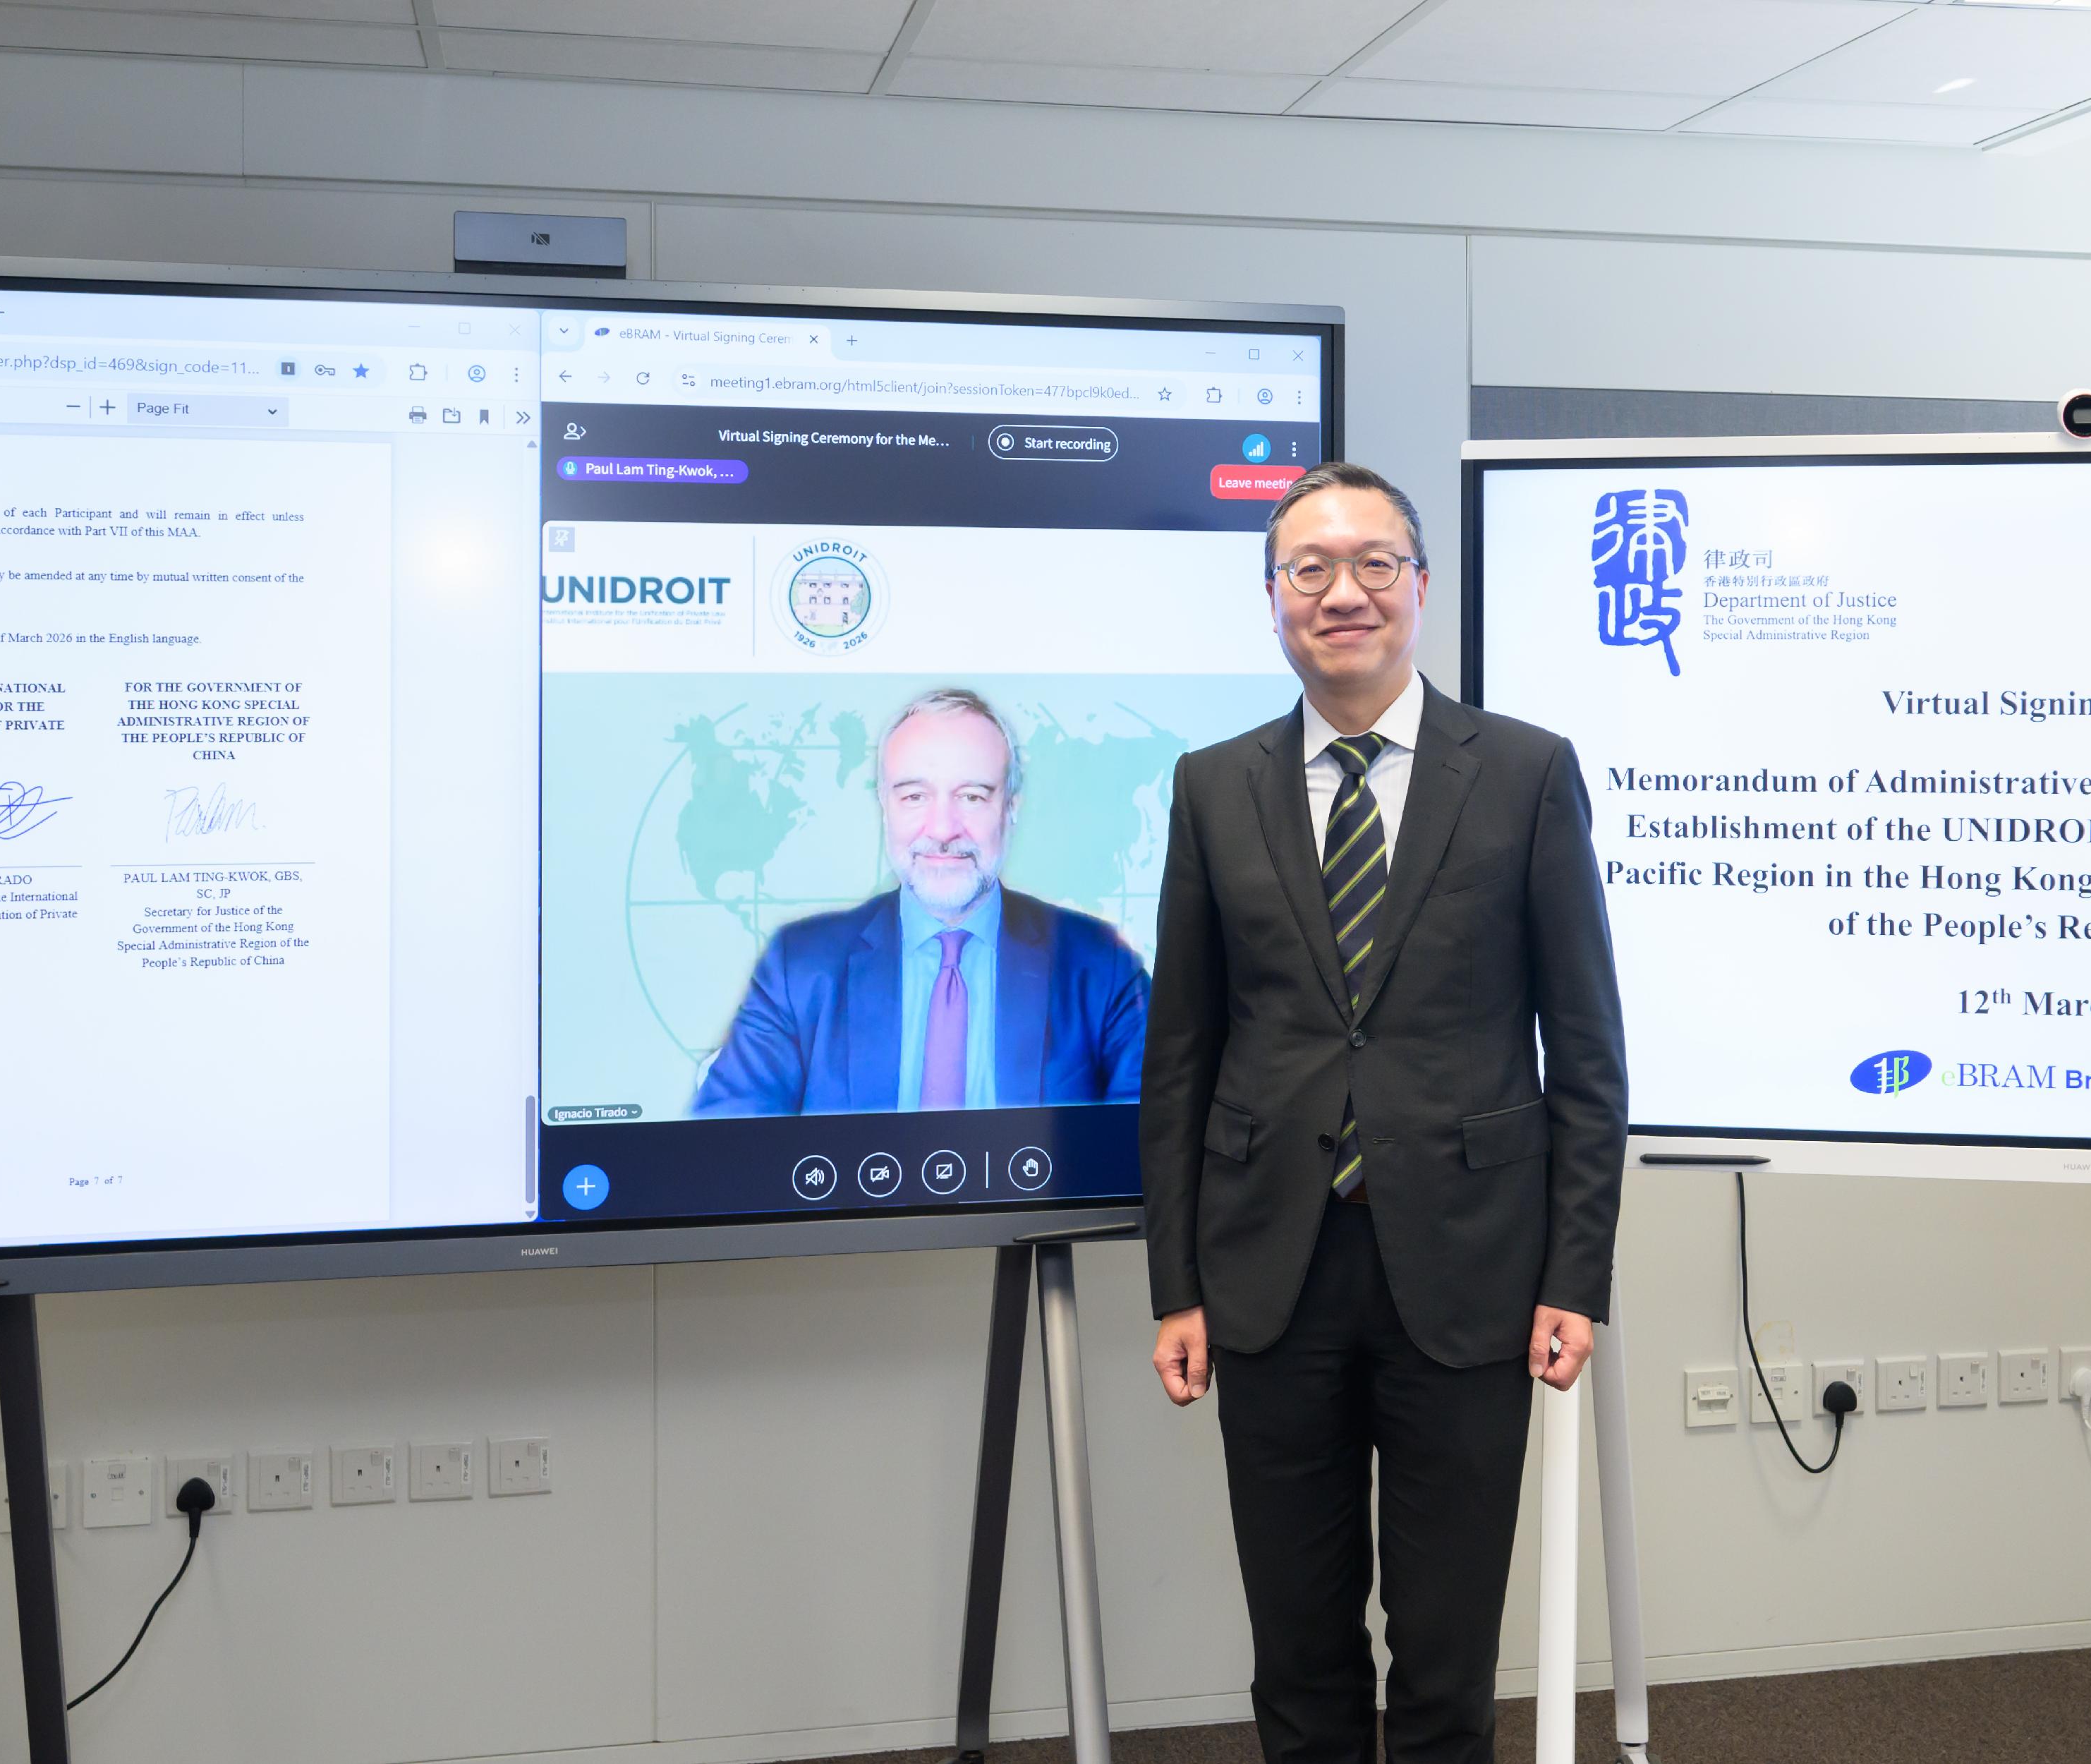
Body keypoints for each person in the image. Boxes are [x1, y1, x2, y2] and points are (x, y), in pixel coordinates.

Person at [1139, 463, 1628, 1764]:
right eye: (1309, 568)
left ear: (1419, 586)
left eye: (1371, 564)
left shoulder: (1523, 774)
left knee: (1447, 1647)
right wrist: (1174, 1285)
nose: (1341, 592)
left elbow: (1585, 1048)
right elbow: (1181, 1052)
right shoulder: (1213, 786)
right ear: (1274, 600)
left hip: (1470, 1268)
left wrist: (1578, 1273)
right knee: (1297, 1645)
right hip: (1268, 1274)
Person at [693, 687, 1148, 1117]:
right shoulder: (799, 967)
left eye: (972, 796)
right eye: (914, 796)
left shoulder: (1101, 964)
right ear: (884, 805)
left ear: (1010, 807)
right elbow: (730, 1145)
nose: (943, 829)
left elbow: (1144, 1150)